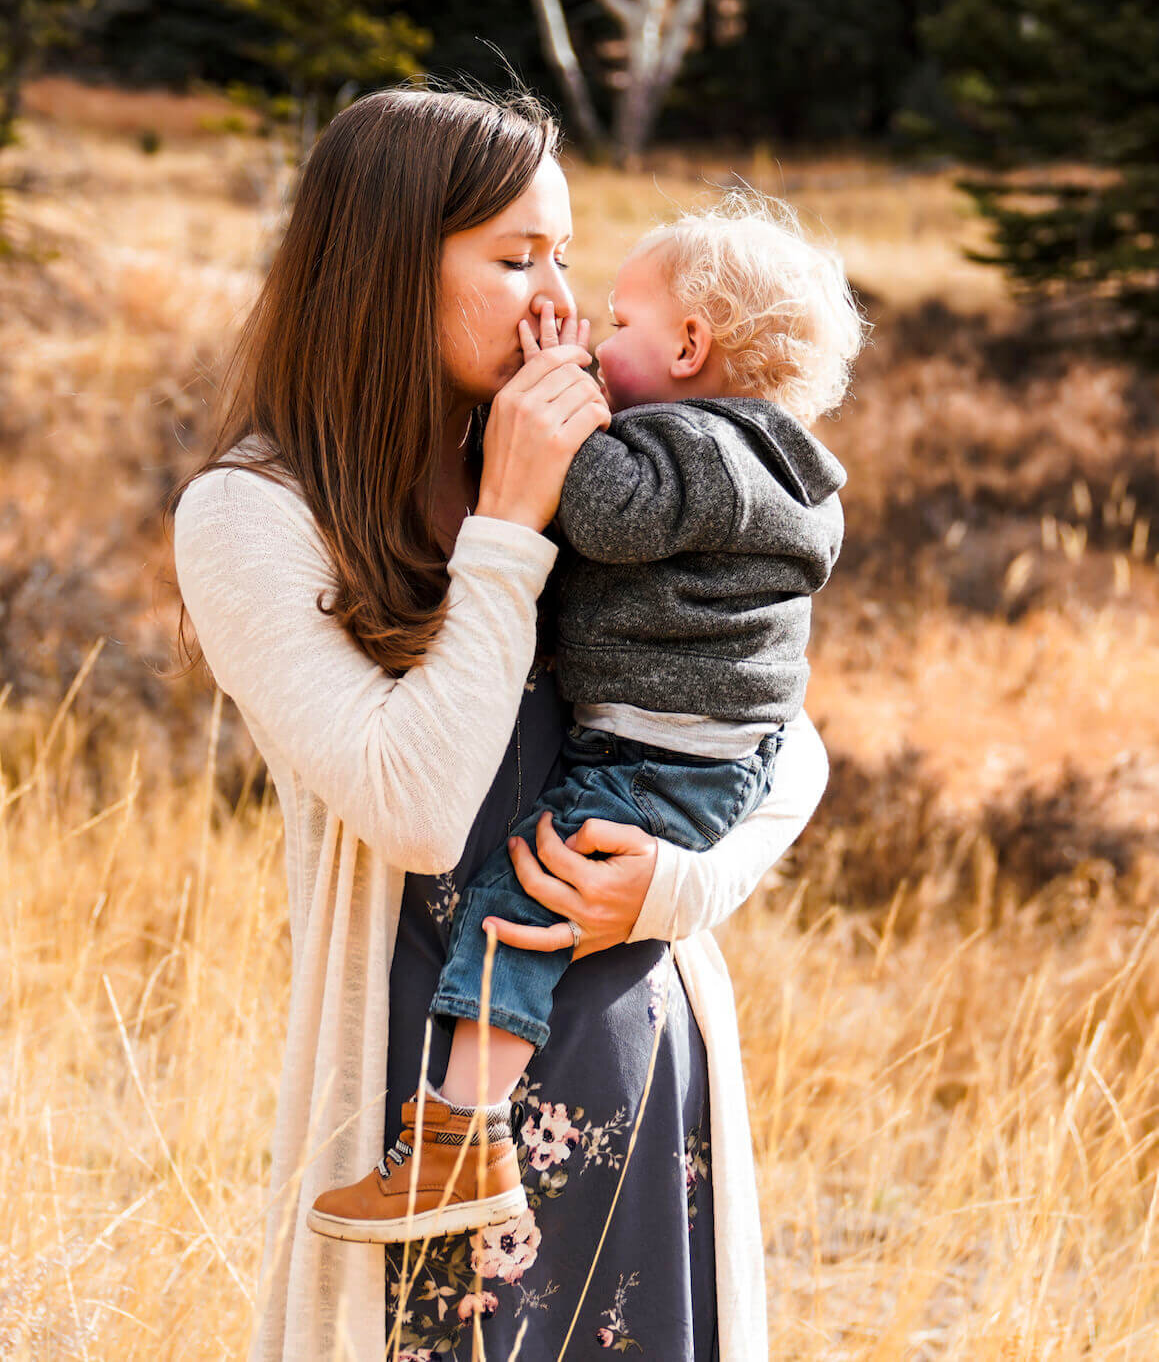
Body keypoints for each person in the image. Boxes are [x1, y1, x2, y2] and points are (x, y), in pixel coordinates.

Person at [172, 86, 832, 1362]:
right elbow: (413, 808)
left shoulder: (612, 465)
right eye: (515, 257)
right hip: (425, 1112)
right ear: (385, 266)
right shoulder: (254, 514)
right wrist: (505, 528)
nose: (561, 304)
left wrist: (683, 886)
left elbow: (782, 735)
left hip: (644, 1059)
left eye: (567, 260)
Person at [308, 194, 859, 1247]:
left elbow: (605, 509)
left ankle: (461, 1137)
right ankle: (462, 1135)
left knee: (527, 896)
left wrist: (543, 394)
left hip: (653, 751)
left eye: (614, 323)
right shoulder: (774, 464)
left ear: (689, 346)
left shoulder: (700, 448)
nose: (588, 338)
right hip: (697, 750)